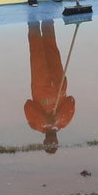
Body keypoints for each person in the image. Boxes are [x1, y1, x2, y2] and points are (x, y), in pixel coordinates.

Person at [25, 20, 75, 153]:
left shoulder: (36, 125)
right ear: (58, 142)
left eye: (49, 144)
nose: (52, 142)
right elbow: (71, 100)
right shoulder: (64, 122)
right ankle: (48, 23)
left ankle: (33, 24)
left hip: (39, 81)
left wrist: (44, 118)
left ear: (44, 142)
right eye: (54, 144)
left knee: (37, 52)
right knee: (52, 49)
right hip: (58, 81)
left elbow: (28, 105)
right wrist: (57, 116)